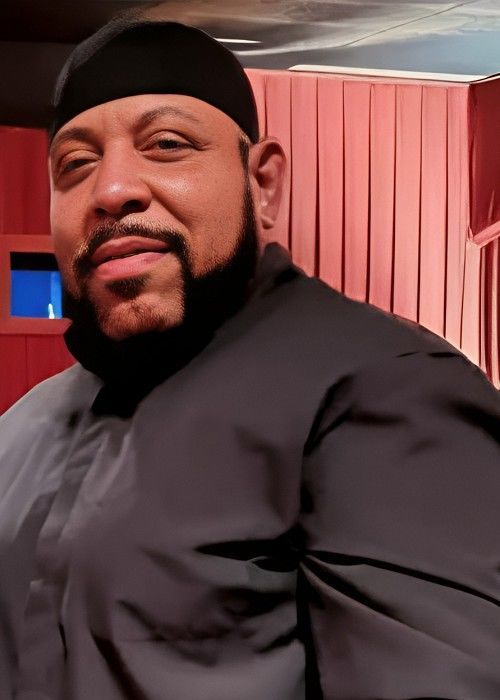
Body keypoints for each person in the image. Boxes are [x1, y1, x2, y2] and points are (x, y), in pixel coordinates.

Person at [0, 17, 499, 700]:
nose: (111, 190)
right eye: (75, 165)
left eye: (166, 145)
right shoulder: (22, 427)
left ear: (262, 184)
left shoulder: (385, 392)